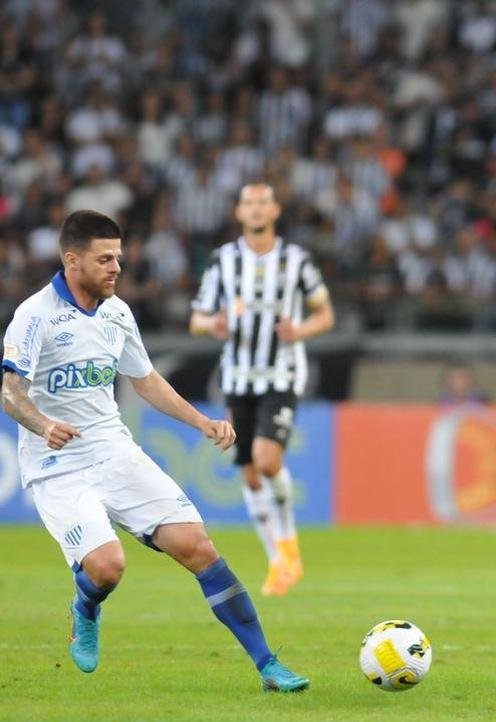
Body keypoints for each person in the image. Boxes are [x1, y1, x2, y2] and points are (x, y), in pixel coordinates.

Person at [0, 210, 308, 691]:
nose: (116, 268)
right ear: (71, 259)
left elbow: (144, 379)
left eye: (118, 258)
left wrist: (202, 421)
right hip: (56, 466)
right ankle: (85, 607)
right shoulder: (33, 317)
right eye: (104, 259)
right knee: (108, 567)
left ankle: (269, 665)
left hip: (114, 452)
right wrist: (42, 423)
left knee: (198, 547)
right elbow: (10, 392)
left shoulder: (117, 312)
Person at [190, 184, 335, 596]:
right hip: (237, 377)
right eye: (248, 203)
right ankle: (277, 561)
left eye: (262, 202)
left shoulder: (296, 260)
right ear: (239, 211)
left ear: (275, 209)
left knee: (267, 461)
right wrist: (212, 324)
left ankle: (289, 544)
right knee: (250, 474)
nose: (255, 209)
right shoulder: (223, 261)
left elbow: (325, 314)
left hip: (281, 373)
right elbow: (197, 319)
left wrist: (300, 329)